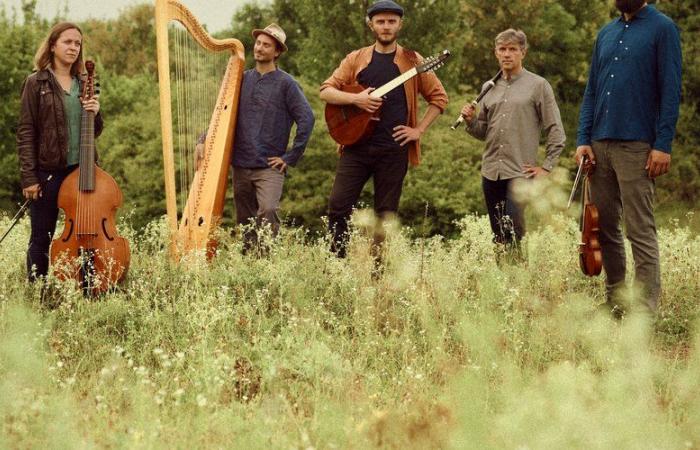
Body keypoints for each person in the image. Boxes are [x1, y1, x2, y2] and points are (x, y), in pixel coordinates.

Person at [575, 0, 682, 315]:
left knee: (639, 229)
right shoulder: (606, 33)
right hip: (599, 143)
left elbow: (671, 89)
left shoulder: (663, 29)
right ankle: (616, 301)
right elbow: (592, 90)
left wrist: (662, 144)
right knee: (604, 227)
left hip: (637, 145)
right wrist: (583, 139)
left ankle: (645, 309)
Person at [321, 0, 448, 258]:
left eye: (392, 21)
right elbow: (326, 90)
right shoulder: (356, 58)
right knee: (338, 206)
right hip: (355, 147)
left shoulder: (414, 61)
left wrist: (418, 130)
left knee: (386, 214)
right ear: (371, 25)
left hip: (393, 149)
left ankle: (379, 275)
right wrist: (356, 99)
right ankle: (337, 265)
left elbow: (439, 98)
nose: (386, 26)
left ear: (400, 24)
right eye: (381, 21)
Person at [198, 23, 315, 253]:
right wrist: (202, 140)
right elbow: (220, 114)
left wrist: (290, 157)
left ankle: (268, 264)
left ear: (277, 51)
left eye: (267, 45)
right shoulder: (240, 79)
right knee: (245, 221)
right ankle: (250, 267)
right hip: (240, 165)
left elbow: (307, 119)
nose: (260, 48)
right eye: (258, 43)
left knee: (268, 210)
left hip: (269, 166)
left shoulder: (286, 84)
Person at [460, 29, 565, 251]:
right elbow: (484, 132)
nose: (507, 54)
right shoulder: (488, 88)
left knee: (513, 229)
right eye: (502, 49)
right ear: (496, 52)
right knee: (498, 234)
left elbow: (555, 129)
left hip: (520, 171)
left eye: (512, 49)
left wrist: (546, 168)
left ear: (523, 53)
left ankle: (518, 277)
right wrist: (470, 122)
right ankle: (504, 279)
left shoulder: (538, 85)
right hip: (490, 170)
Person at [17, 22, 102, 281]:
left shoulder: (84, 81)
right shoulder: (36, 82)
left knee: (87, 232)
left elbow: (95, 131)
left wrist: (95, 114)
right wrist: (29, 178)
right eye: (67, 42)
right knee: (41, 236)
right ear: (53, 45)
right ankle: (37, 292)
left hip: (82, 170)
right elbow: (26, 132)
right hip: (48, 172)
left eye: (77, 43)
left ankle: (87, 290)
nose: (73, 47)